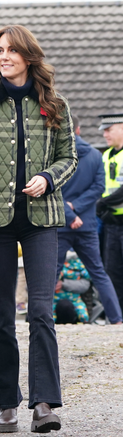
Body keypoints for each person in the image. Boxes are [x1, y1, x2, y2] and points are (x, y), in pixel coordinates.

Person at [0, 24, 77, 434]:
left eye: (11, 51)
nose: (3, 57)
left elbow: (70, 157)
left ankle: (43, 404)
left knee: (42, 311)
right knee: (4, 315)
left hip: (42, 221)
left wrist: (48, 176)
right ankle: (6, 403)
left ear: (29, 56)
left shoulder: (55, 104)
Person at [57, 115, 122, 324]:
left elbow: (51, 190)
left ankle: (38, 318)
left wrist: (69, 213)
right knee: (99, 273)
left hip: (61, 224)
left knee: (49, 273)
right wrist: (77, 209)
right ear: (78, 129)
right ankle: (117, 319)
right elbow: (98, 188)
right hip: (87, 223)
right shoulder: (96, 155)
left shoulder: (54, 155)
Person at [96, 113, 123, 315]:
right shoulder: (105, 156)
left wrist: (102, 203)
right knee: (112, 271)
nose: (105, 134)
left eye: (108, 129)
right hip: (112, 222)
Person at [54, 251, 90, 324]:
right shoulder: (47, 260)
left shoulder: (78, 264)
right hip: (51, 301)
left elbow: (86, 284)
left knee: (65, 306)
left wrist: (63, 284)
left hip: (73, 301)